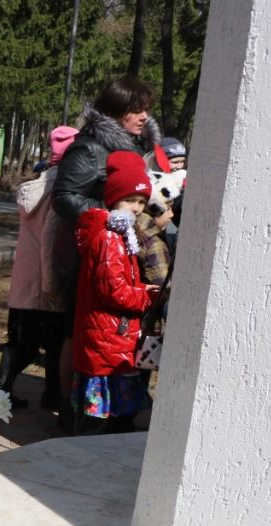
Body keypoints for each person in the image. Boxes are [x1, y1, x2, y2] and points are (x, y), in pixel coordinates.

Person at [52, 74, 160, 425]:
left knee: (111, 332)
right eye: (136, 109)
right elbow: (65, 197)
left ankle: (109, 407)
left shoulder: (131, 146)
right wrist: (110, 215)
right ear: (116, 112)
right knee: (77, 333)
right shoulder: (91, 146)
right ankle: (71, 408)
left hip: (121, 252)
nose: (144, 116)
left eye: (146, 110)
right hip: (90, 256)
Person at [71, 151, 158, 434]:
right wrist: (147, 297)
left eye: (142, 202)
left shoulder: (121, 236)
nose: (136, 208)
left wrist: (143, 288)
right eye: (130, 200)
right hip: (107, 336)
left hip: (113, 335)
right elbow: (114, 292)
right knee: (99, 418)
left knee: (111, 413)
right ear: (113, 199)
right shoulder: (110, 238)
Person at [0, 126, 77, 410]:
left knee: (20, 342)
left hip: (25, 281)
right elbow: (50, 241)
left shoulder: (34, 188)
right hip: (47, 281)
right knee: (55, 346)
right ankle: (52, 395)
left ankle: (2, 389)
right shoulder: (62, 191)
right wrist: (52, 285)